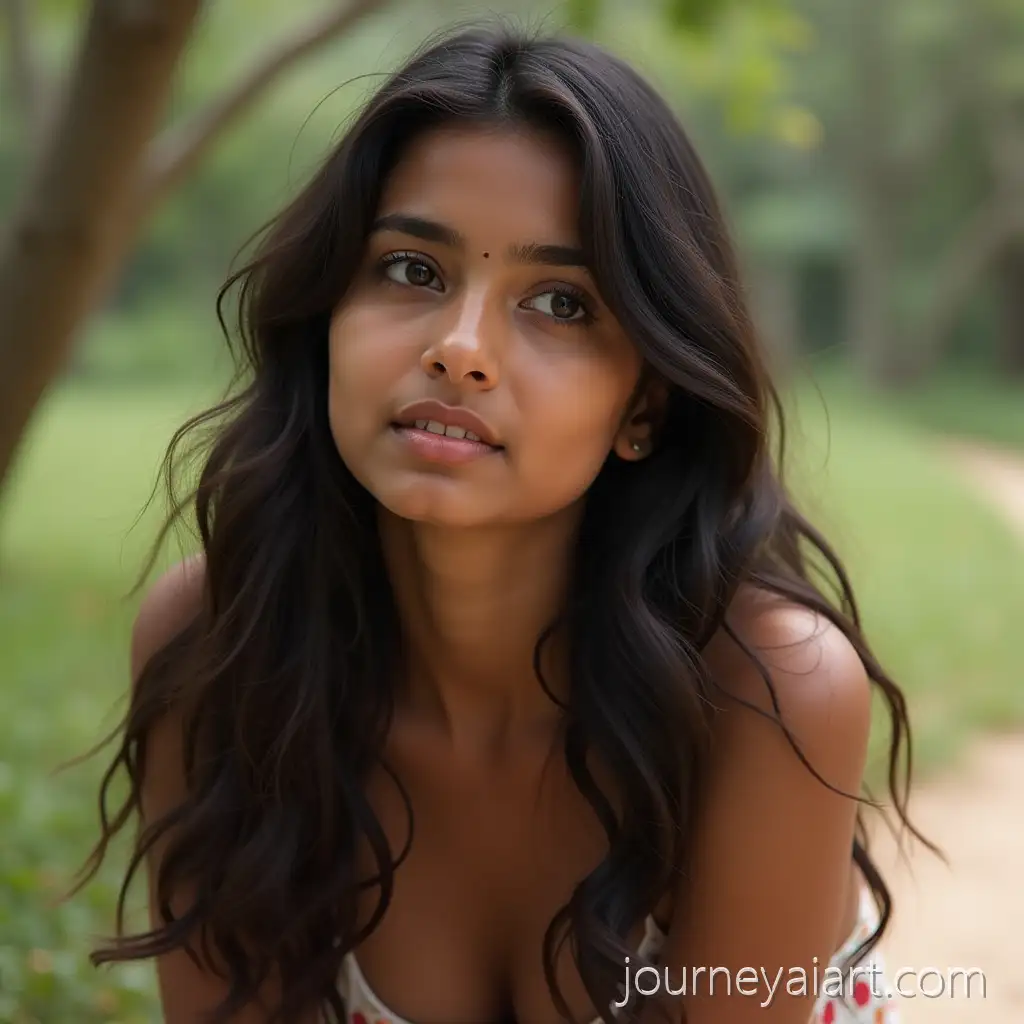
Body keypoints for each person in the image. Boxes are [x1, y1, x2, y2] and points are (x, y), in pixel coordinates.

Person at [79, 23, 928, 1024]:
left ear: (645, 406)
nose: (461, 348)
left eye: (560, 303)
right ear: (328, 320)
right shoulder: (221, 646)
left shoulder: (768, 691)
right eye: (412, 271)